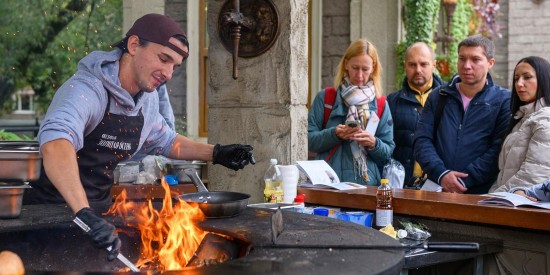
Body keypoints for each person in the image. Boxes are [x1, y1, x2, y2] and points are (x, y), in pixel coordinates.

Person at [23, 14, 255, 260]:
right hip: (45, 216)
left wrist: (217, 153)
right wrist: (83, 212)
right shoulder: (87, 89)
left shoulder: (146, 100)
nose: (168, 73)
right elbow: (56, 144)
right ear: (134, 45)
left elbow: (166, 141)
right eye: (163, 59)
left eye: (174, 67)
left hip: (97, 216)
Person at [413, 35, 511, 194]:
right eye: (462, 58)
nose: (467, 65)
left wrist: (463, 180)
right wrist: (442, 174)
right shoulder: (439, 96)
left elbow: (499, 150)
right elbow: (422, 140)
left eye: (475, 59)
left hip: (481, 194)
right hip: (437, 188)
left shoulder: (503, 100)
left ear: (490, 63)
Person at [308, 38, 395, 185]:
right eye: (355, 67)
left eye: (365, 69)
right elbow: (308, 141)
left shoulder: (380, 104)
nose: (359, 75)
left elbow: (387, 153)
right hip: (328, 184)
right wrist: (334, 134)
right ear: (346, 64)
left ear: (373, 67)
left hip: (366, 187)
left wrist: (373, 143)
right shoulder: (326, 98)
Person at [489, 56, 550, 193]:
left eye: (527, 77)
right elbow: (502, 174)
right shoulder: (521, 119)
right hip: (509, 202)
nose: (519, 84)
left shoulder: (546, 119)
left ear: (544, 79)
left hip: (524, 206)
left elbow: (534, 176)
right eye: (516, 78)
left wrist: (494, 198)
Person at [387, 42, 445, 184]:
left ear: (434, 65)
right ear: (405, 65)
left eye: (423, 64)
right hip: (403, 184)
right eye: (412, 65)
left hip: (438, 183)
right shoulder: (392, 102)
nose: (418, 70)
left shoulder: (449, 99)